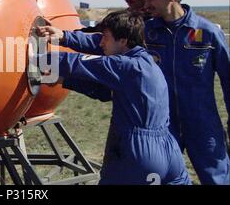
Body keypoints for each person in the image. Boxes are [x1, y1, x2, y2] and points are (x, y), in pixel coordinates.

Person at [36, 10, 191, 185]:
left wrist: (31, 58)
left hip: (138, 154)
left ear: (123, 40)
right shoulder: (146, 62)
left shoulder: (125, 66)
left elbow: (78, 61)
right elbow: (104, 92)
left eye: (105, 37)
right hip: (170, 151)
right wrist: (64, 78)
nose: (101, 42)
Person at [142, 0, 230, 185]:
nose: (146, 4)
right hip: (163, 124)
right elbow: (109, 42)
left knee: (216, 178)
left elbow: (228, 79)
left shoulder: (207, 33)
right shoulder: (147, 33)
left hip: (203, 123)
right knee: (160, 178)